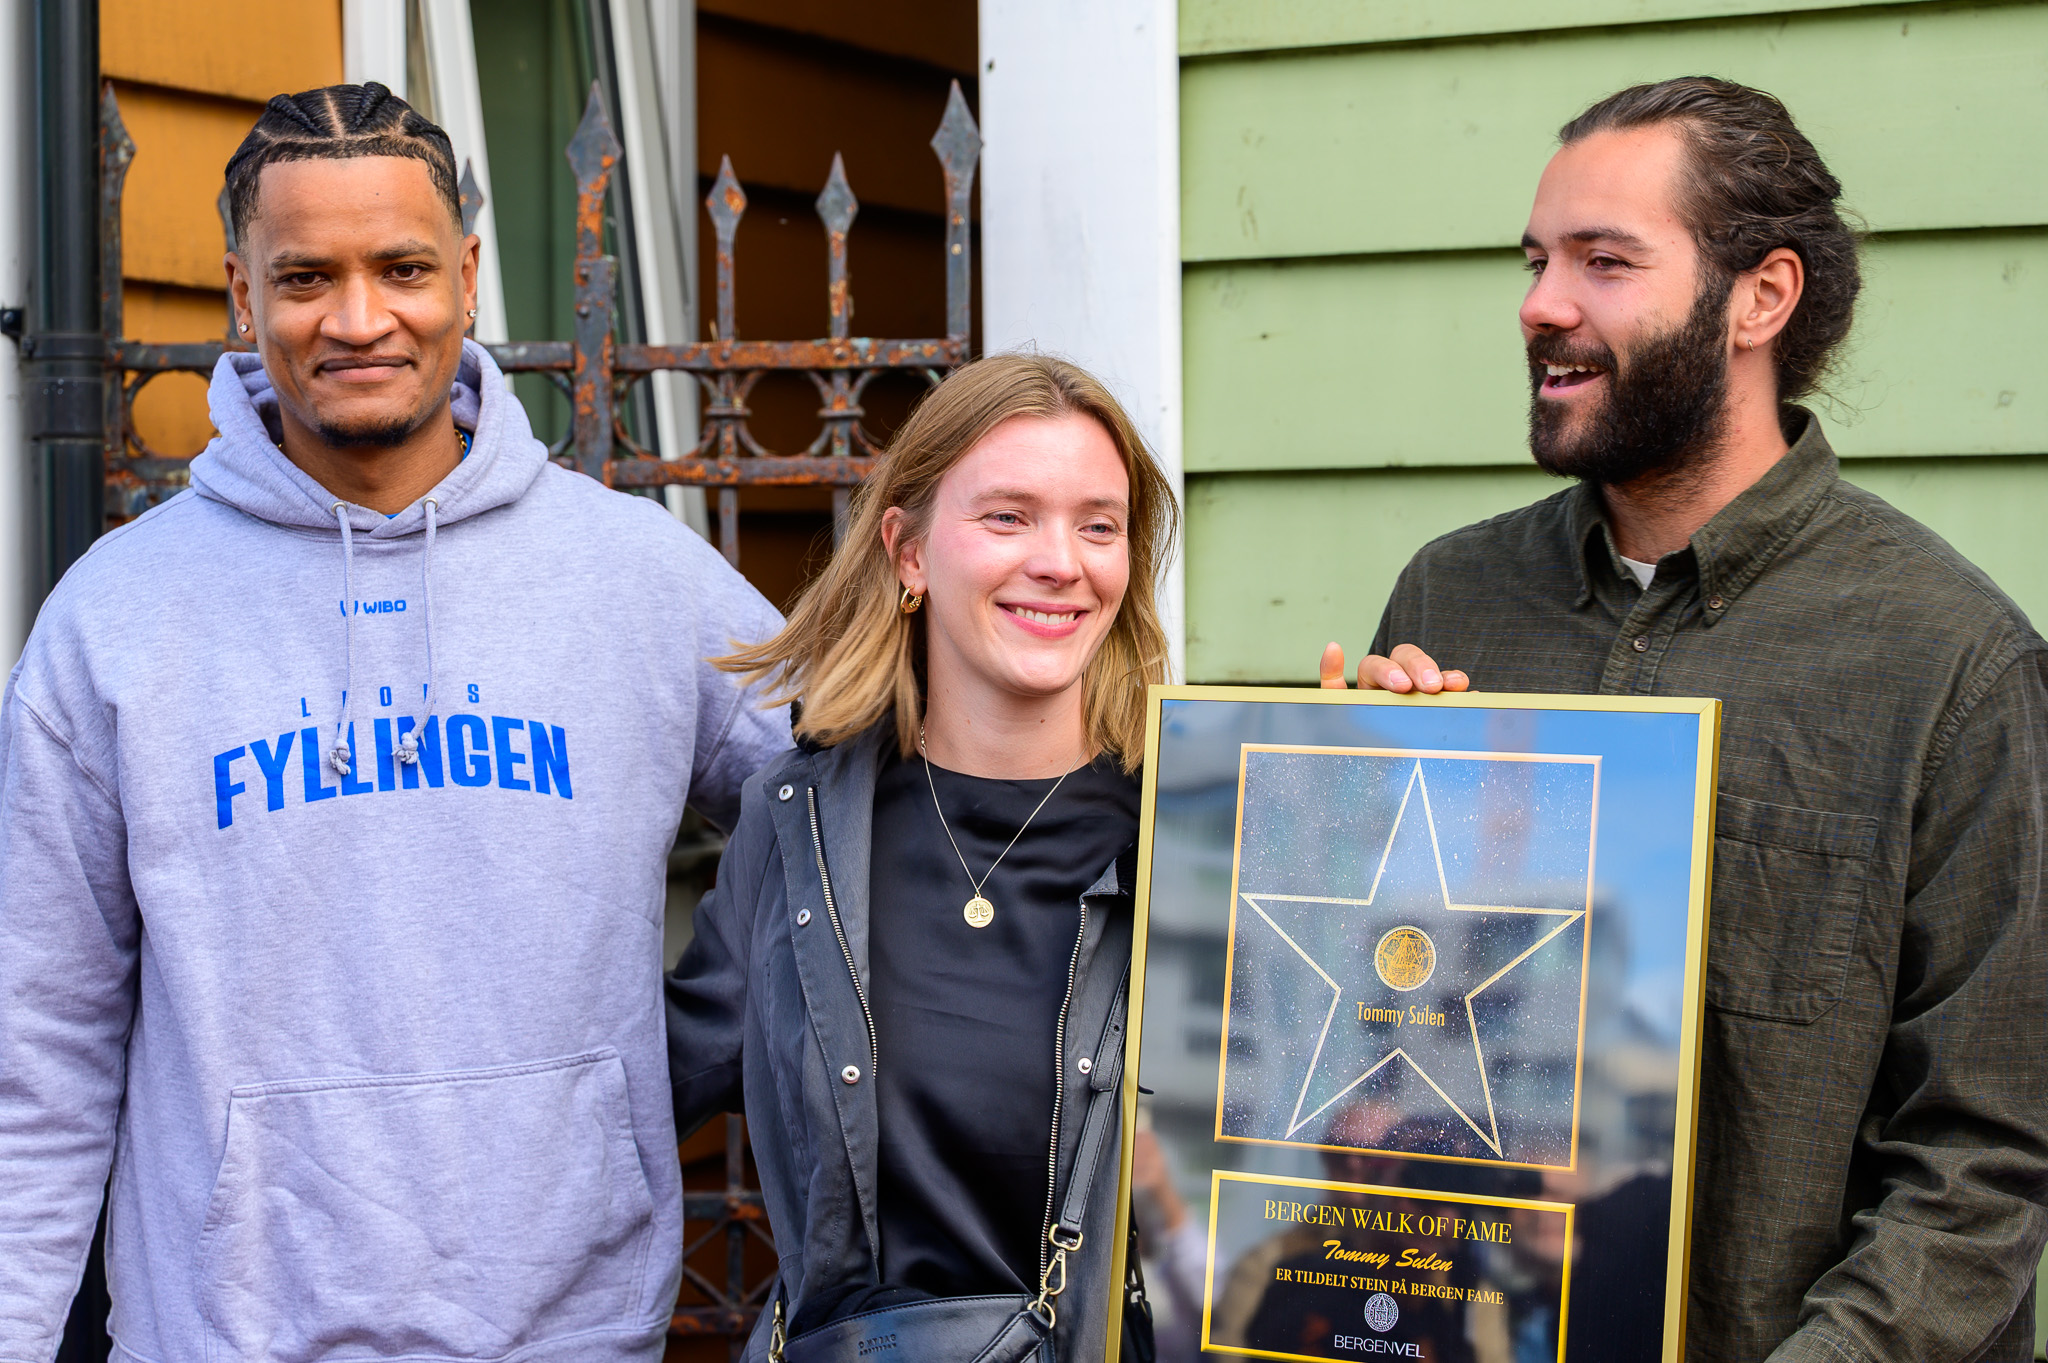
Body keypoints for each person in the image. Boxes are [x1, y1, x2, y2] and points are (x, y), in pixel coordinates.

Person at [0, 84, 786, 1363]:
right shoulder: (117, 620)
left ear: (466, 277)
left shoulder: (637, 579)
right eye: (306, 277)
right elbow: (36, 1047)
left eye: (402, 269)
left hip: (572, 1332)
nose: (359, 319)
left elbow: (855, 796)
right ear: (243, 296)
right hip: (227, 1336)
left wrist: (693, 1033)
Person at [1322, 78, 2048, 1361]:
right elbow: (1365, 1035)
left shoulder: (1951, 663)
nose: (1541, 304)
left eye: (1603, 261)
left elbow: (1984, 1157)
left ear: (1759, 298)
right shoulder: (1450, 599)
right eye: (1537, 261)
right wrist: (1335, 805)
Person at [664, 353, 1179, 1361]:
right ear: (908, 551)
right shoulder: (799, 825)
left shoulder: (1197, 829)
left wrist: (1400, 770)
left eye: (1098, 525)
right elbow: (630, 1087)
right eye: (1008, 517)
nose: (1060, 561)